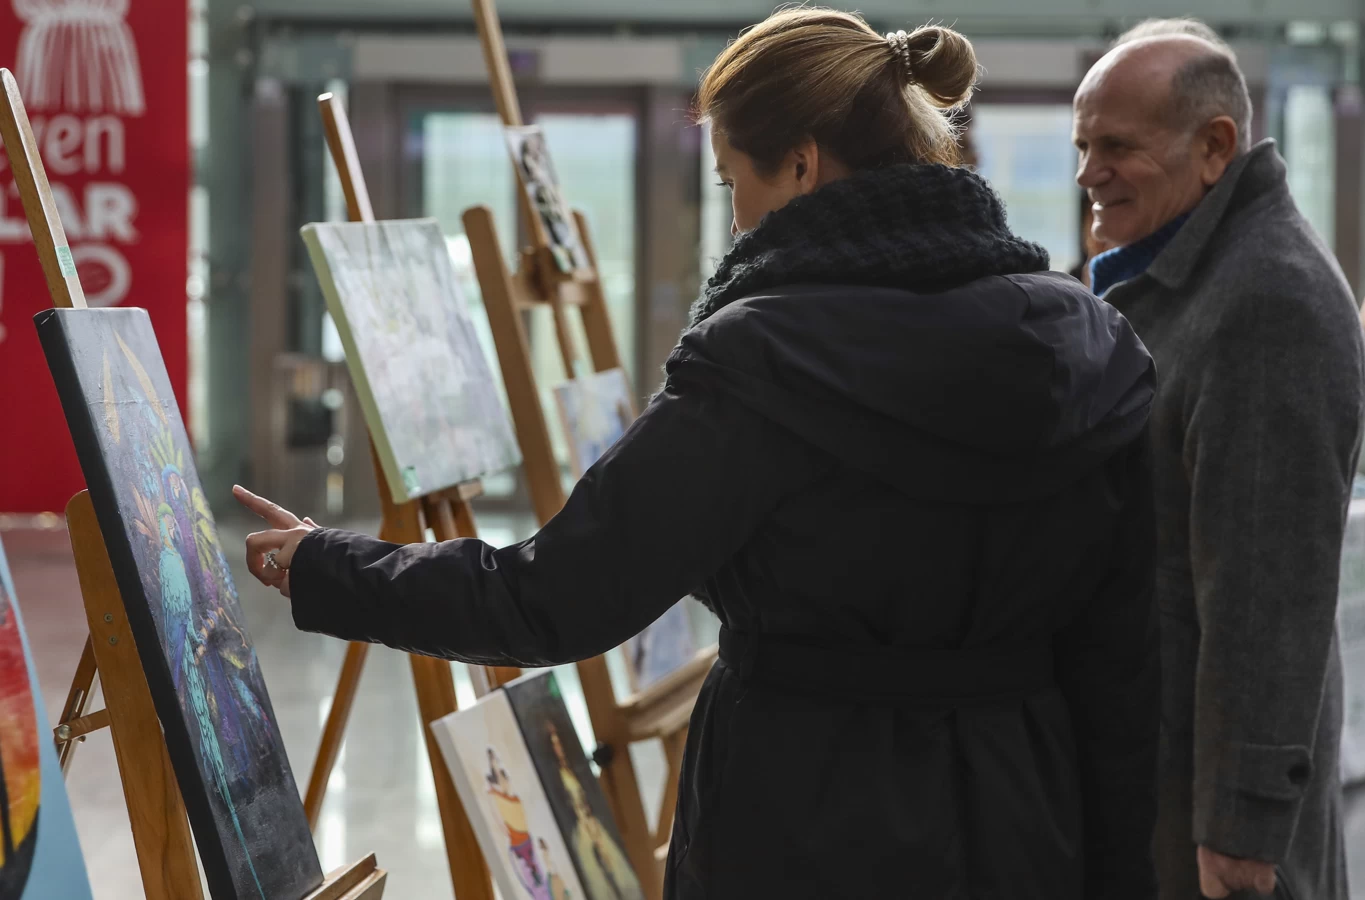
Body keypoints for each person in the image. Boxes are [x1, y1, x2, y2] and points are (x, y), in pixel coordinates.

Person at [238, 10, 1160, 898]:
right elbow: (1123, 655)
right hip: (1025, 809)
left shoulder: (763, 357)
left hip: (800, 812)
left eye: (730, 184)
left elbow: (553, 597)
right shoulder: (1086, 339)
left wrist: (331, 564)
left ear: (799, 167)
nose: (733, 220)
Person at [1073, 20, 1365, 900]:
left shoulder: (1263, 301)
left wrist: (1238, 828)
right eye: (1083, 145)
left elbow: (1265, 592)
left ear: (1213, 147)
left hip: (1213, 837)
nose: (1088, 171)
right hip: (1162, 778)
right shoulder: (1188, 277)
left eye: (1116, 146)